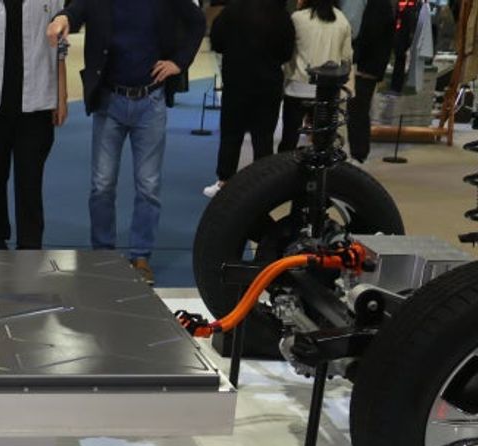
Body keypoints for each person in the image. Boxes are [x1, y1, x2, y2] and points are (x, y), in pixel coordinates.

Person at [47, 0, 206, 285]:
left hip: (151, 101)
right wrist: (62, 19)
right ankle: (103, 254)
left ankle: (141, 257)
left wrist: (179, 63)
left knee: (148, 186)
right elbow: (76, 10)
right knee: (102, 184)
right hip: (110, 101)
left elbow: (197, 22)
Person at [0, 0, 69, 250]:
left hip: (36, 104)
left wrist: (61, 95)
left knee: (30, 181)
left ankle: (30, 245)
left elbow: (59, 48)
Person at [204, 0, 296, 197]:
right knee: (263, 137)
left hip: (236, 81)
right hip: (268, 83)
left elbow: (217, 43)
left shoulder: (231, 11)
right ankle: (263, 186)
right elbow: (286, 53)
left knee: (231, 133)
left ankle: (224, 181)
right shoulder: (280, 14)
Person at [277, 0, 353, 153]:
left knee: (289, 139)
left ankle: (286, 167)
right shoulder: (342, 19)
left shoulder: (298, 18)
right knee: (323, 143)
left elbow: (286, 51)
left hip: (297, 88)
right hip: (327, 91)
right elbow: (346, 57)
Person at [346, 0, 394, 163]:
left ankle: (358, 153)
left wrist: (357, 58)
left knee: (357, 109)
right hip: (366, 64)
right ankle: (358, 152)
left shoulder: (379, 5)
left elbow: (372, 35)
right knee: (356, 109)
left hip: (366, 66)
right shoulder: (380, 5)